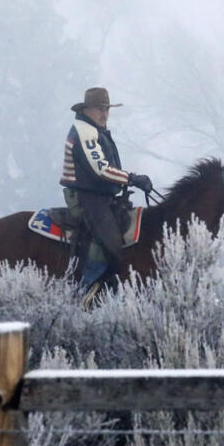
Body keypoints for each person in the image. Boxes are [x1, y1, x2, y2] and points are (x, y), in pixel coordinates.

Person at [60, 87, 153, 304]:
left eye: (106, 110)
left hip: (101, 197)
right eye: (99, 109)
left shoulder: (94, 130)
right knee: (111, 242)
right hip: (86, 198)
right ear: (87, 110)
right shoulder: (84, 131)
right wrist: (133, 179)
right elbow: (100, 169)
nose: (104, 114)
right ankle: (84, 291)